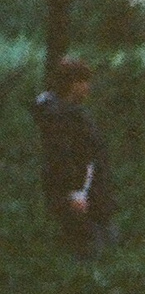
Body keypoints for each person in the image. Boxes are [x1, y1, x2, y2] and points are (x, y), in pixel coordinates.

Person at [29, 54, 116, 258]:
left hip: (91, 192)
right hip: (79, 197)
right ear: (72, 84)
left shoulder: (71, 114)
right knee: (87, 248)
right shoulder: (59, 118)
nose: (88, 87)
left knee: (101, 245)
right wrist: (76, 193)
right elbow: (64, 158)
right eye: (83, 82)